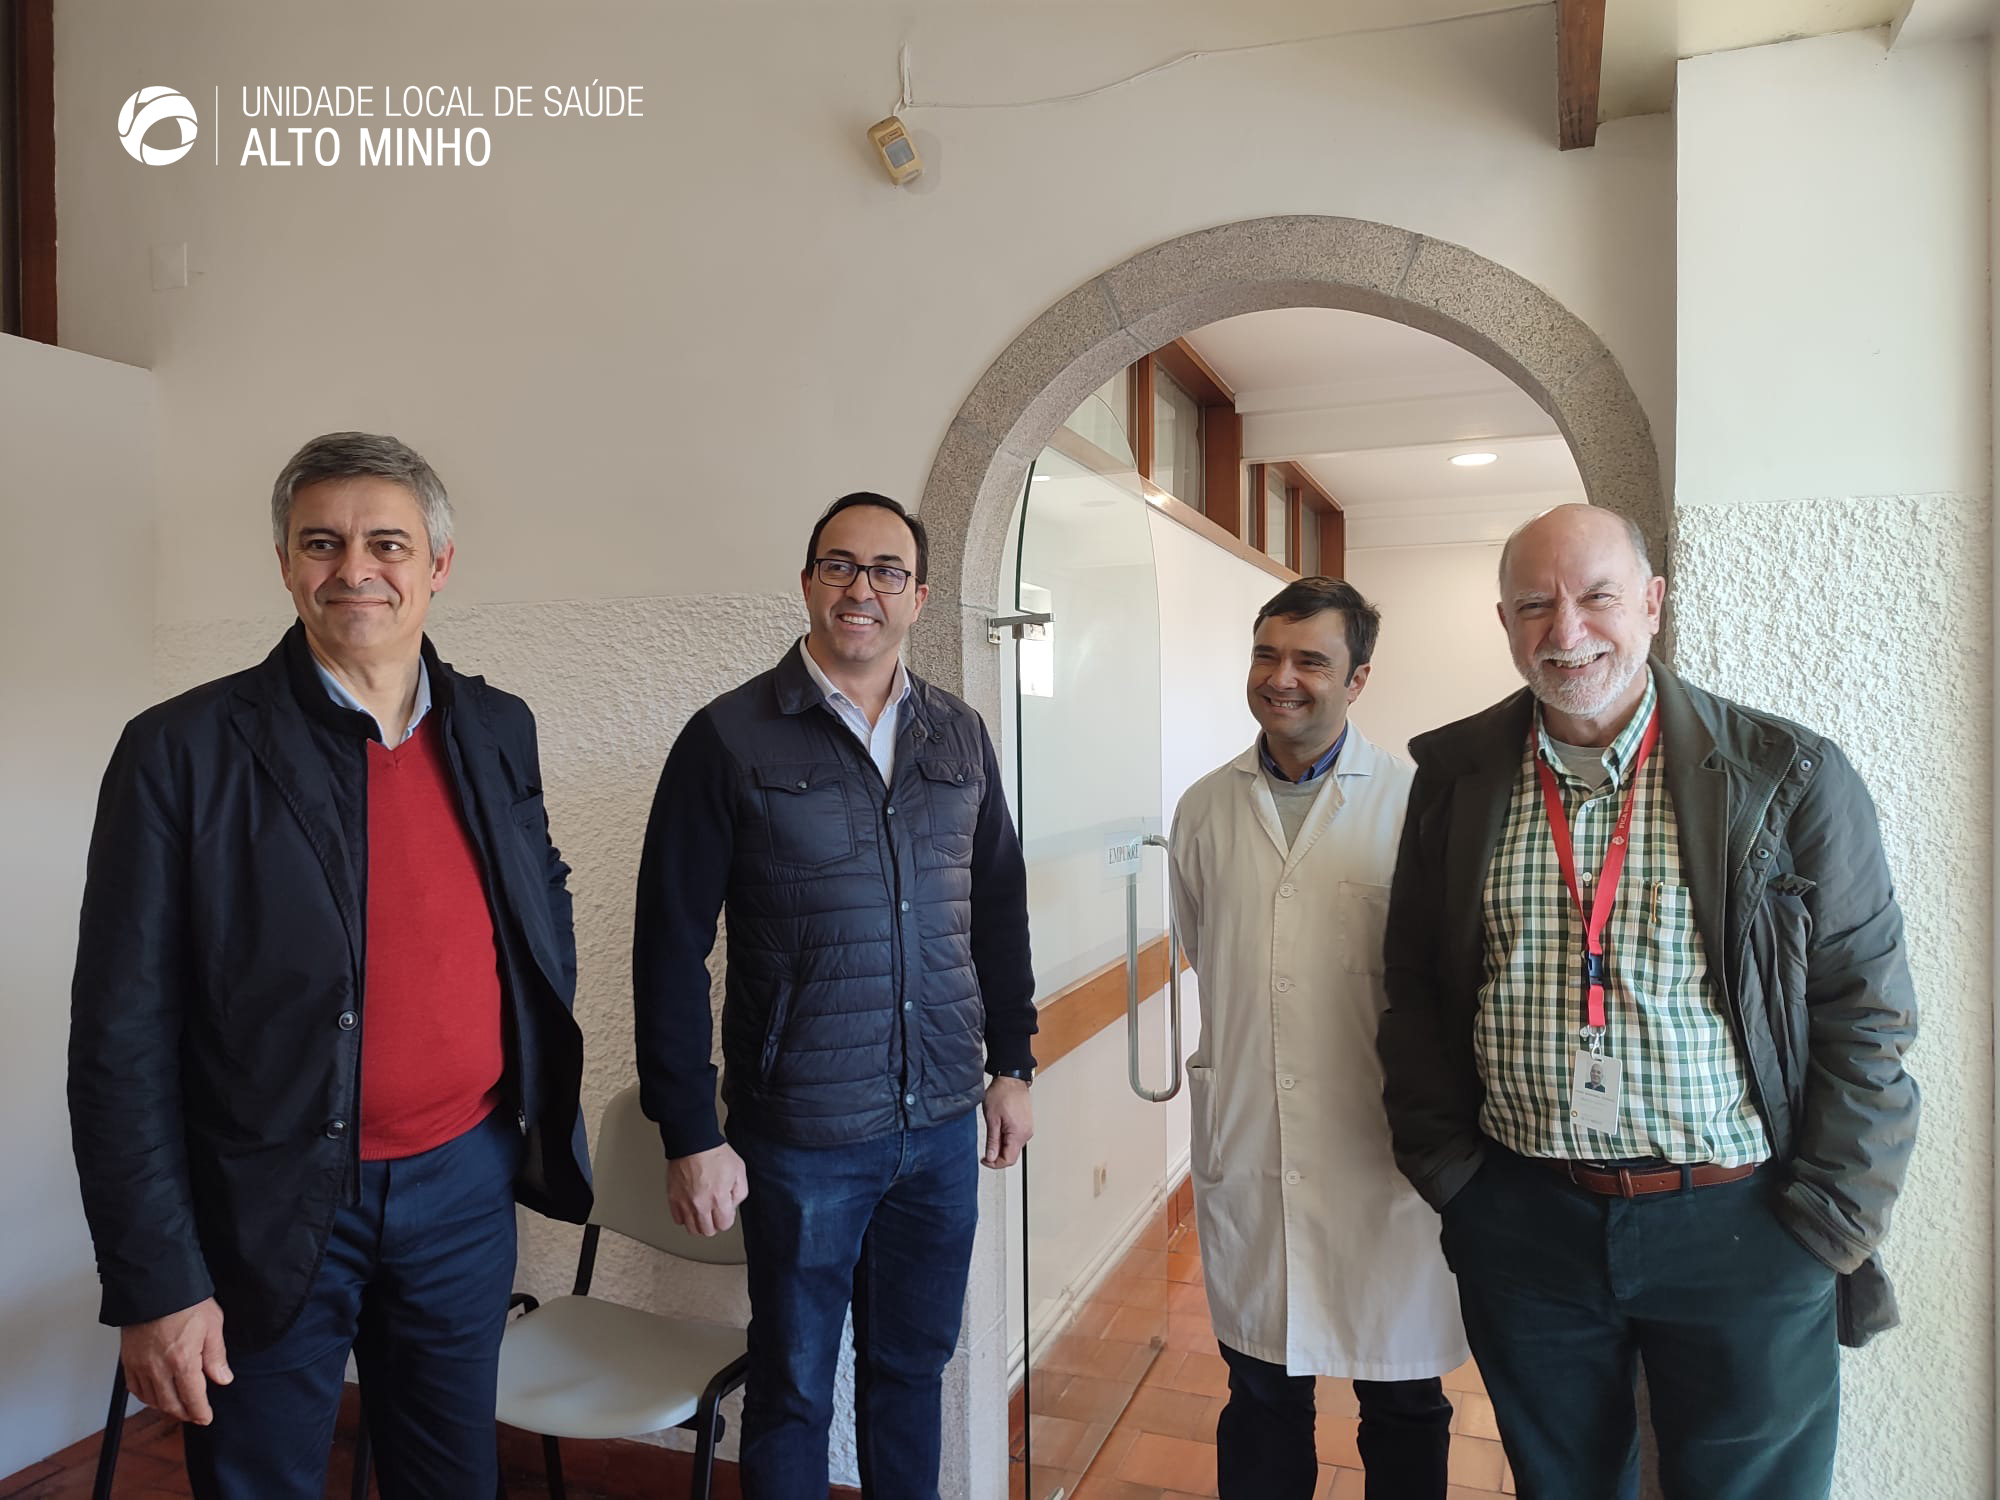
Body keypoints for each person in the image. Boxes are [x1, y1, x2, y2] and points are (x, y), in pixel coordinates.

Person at [68, 432, 592, 1498]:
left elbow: (538, 903)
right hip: (265, 1199)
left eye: (387, 543)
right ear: (284, 563)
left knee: (452, 1480)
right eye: (322, 543)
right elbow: (119, 1039)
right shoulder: (181, 751)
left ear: (438, 564)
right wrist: (156, 1279)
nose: (355, 569)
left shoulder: (498, 727)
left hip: (464, 1185)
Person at [1377, 504, 1918, 1500]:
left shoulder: (1784, 775)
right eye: (1534, 606)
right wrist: (1457, 1183)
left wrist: (1827, 1221)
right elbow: (1411, 986)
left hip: (1745, 1226)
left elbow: (1865, 1010)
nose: (1566, 631)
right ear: (1503, 622)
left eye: (1597, 597)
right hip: (1524, 1222)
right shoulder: (1454, 780)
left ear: (1653, 603)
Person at [632, 491, 1036, 1499]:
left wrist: (1013, 1063)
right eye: (840, 566)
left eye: (887, 571)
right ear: (809, 583)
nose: (863, 588)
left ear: (919, 597)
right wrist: (689, 1130)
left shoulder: (959, 735)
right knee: (792, 1387)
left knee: (911, 1372)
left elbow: (997, 909)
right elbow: (669, 946)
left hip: (939, 1130)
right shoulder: (728, 738)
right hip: (801, 1134)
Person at [1167, 577, 1464, 1500]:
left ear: (1358, 678)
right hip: (1254, 1146)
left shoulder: (1417, 806)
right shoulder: (1204, 809)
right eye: (1267, 654)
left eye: (1310, 661)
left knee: (1405, 1402)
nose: (1281, 678)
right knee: (1260, 1395)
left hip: (1384, 1162)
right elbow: (1204, 944)